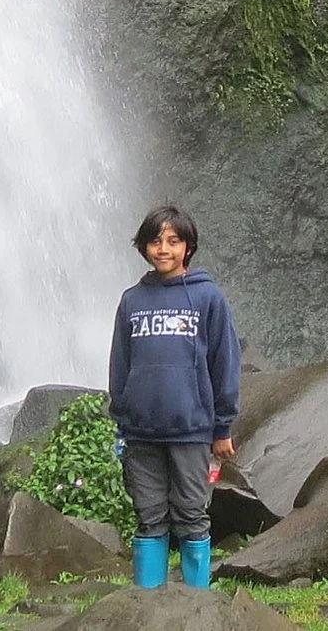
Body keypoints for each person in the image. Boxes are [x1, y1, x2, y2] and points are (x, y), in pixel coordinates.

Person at [108, 205, 241, 590]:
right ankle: (149, 602)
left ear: (188, 247)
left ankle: (196, 603)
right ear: (143, 247)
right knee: (149, 517)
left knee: (191, 515)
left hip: (191, 429)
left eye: (173, 241)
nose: (163, 249)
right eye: (155, 241)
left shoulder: (207, 297)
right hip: (141, 432)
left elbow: (224, 362)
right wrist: (122, 420)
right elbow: (120, 365)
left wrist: (222, 426)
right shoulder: (132, 301)